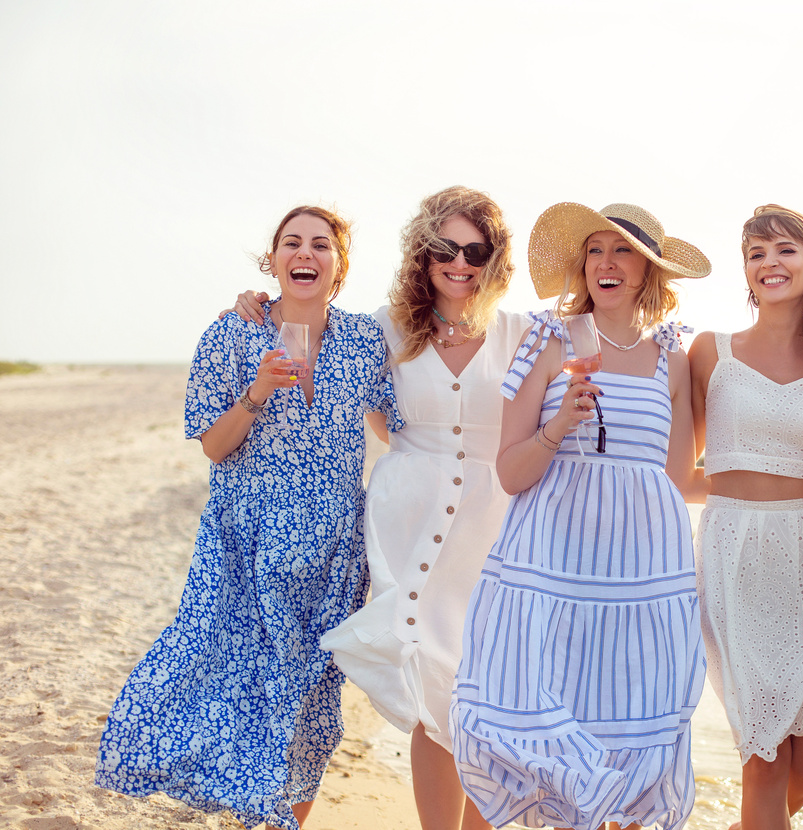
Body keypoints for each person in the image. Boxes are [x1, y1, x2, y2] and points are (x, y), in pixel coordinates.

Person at [230, 186, 527, 830]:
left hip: (496, 528)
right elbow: (316, 338)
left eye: (476, 251)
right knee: (432, 685)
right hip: (409, 526)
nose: (460, 262)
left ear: (495, 258)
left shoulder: (523, 332)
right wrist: (255, 303)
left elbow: (601, 339)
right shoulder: (383, 328)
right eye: (445, 247)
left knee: (489, 691)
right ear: (423, 252)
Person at [95, 206, 402, 830]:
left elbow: (396, 426)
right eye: (292, 242)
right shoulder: (231, 335)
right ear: (274, 259)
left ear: (339, 264)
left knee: (311, 707)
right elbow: (214, 445)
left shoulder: (366, 340)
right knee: (224, 683)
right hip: (247, 547)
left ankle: (287, 818)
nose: (305, 253)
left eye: (321, 244)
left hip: (332, 556)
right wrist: (257, 391)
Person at [450, 202, 709, 830]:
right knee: (524, 724)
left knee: (630, 726)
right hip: (549, 568)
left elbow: (677, 479)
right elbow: (510, 472)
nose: (606, 263)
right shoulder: (550, 339)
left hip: (638, 578)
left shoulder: (672, 358)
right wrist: (560, 424)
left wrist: (782, 487)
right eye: (595, 250)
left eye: (622, 251)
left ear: (649, 271)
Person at [687, 204, 803, 830]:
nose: (770, 263)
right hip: (736, 551)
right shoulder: (710, 352)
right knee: (764, 754)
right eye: (756, 254)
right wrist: (744, 489)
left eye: (785, 249)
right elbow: (677, 473)